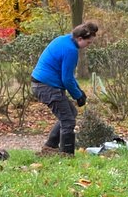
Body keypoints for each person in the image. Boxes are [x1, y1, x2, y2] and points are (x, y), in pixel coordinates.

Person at [31, 22, 99, 156]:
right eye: (88, 43)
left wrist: (79, 92)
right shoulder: (71, 50)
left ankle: (50, 147)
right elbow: (66, 79)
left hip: (41, 84)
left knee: (70, 113)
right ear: (80, 39)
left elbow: (68, 75)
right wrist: (77, 96)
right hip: (46, 87)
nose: (88, 46)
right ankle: (67, 155)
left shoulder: (63, 40)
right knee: (68, 120)